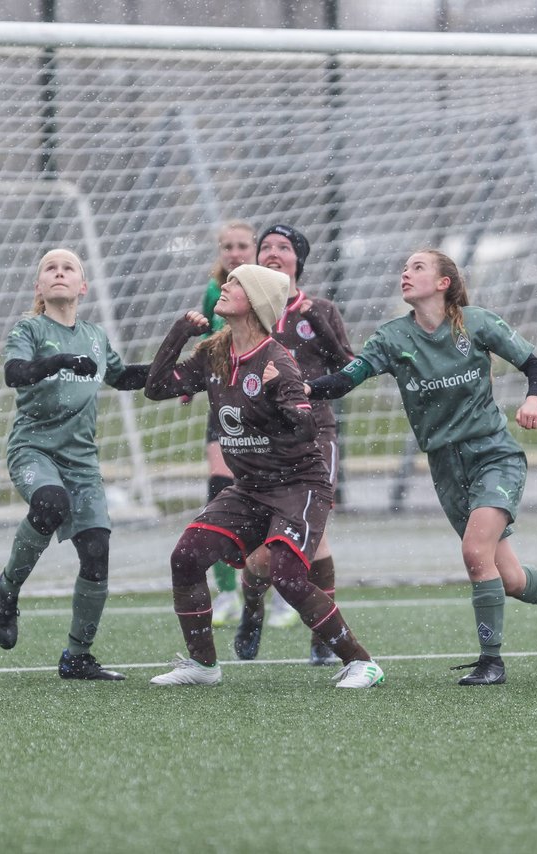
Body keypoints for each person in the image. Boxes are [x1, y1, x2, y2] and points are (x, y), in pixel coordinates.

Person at [307, 249, 537, 686]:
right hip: (445, 468)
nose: (405, 273)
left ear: (444, 282)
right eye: (404, 266)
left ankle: (492, 662)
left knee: (473, 553)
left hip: (493, 456)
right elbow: (345, 380)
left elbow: (535, 365)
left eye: (417, 267)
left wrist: (534, 399)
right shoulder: (391, 338)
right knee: (513, 579)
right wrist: (296, 389)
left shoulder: (477, 323)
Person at [143, 263, 384, 689]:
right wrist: (181, 331)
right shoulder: (215, 351)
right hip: (251, 487)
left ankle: (361, 662)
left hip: (299, 484)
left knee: (287, 575)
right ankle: (203, 666)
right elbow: (156, 387)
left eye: (235, 282)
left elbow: (307, 429)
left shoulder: (278, 361)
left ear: (254, 303)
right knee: (186, 556)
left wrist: (277, 394)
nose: (225, 285)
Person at [0, 247, 150, 681]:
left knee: (97, 551)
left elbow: (123, 377)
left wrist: (178, 374)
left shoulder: (96, 337)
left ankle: (77, 657)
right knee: (50, 504)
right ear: (40, 286)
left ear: (82, 286)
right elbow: (15, 373)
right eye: (50, 268)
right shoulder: (30, 328)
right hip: (34, 450)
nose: (58, 273)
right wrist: (57, 361)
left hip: (81, 461)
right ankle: (8, 589)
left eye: (68, 268)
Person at [233, 223, 355, 667]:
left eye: (283, 247)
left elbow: (350, 371)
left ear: (298, 261)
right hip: (260, 442)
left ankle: (324, 635)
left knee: (311, 536)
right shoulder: (244, 313)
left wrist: (305, 390)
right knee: (261, 549)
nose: (273, 253)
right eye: (265, 246)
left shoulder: (318, 310)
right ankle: (251, 611)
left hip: (313, 436)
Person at [197, 220, 257, 629]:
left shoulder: (268, 290)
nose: (234, 253)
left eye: (241, 246)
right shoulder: (213, 293)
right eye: (227, 246)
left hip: (264, 406)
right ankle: (227, 592)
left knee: (266, 497)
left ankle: (272, 586)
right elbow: (207, 339)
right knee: (220, 492)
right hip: (224, 408)